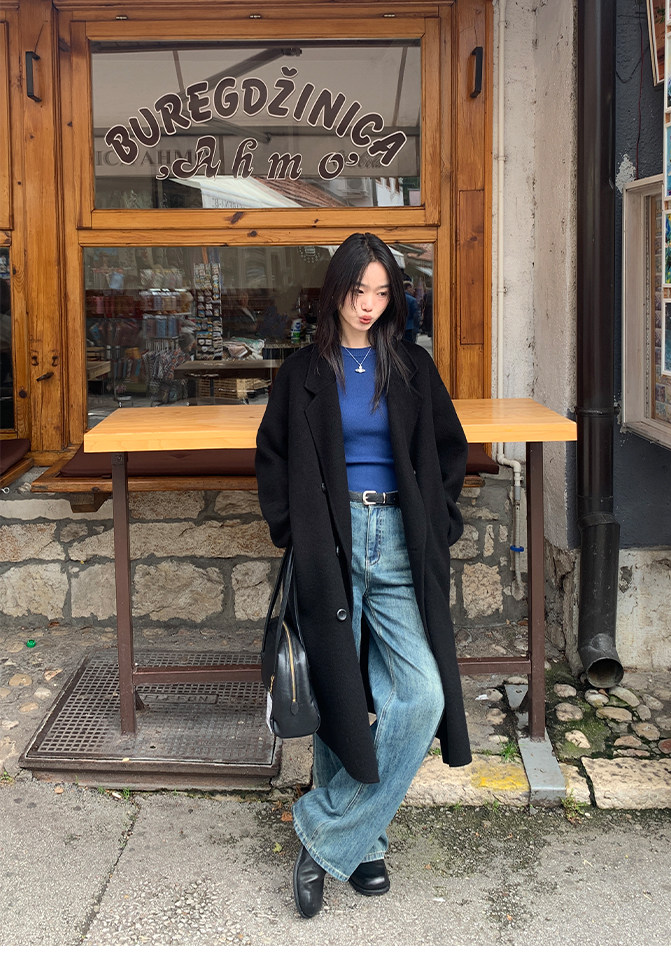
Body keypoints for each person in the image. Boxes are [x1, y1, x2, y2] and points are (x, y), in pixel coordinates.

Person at [255, 231, 471, 919]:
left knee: (421, 696)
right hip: (332, 539)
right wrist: (295, 531)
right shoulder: (302, 371)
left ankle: (326, 831)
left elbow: (449, 450)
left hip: (400, 540)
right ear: (336, 291)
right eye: (357, 290)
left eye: (381, 292)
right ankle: (365, 842)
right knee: (337, 691)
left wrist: (440, 522)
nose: (368, 304)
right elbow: (272, 456)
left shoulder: (410, 365)